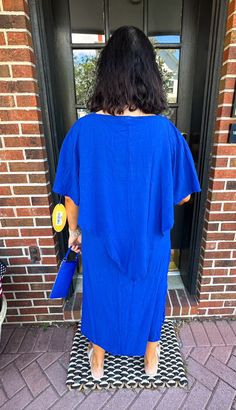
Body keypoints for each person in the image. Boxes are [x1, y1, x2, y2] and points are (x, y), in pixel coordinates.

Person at [52, 25, 201, 381]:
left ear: (106, 73)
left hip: (101, 238)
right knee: (148, 294)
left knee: (102, 294)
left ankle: (99, 360)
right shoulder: (166, 132)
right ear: (149, 74)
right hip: (150, 238)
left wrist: (74, 230)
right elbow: (182, 194)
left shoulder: (82, 131)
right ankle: (151, 359)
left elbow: (72, 194)